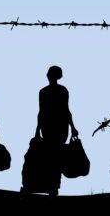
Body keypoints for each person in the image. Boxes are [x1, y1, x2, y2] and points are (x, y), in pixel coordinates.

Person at [35, 65, 78, 196]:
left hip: (51, 128)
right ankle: (54, 187)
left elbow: (42, 113)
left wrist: (37, 130)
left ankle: (52, 187)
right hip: (59, 128)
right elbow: (66, 110)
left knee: (52, 157)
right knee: (56, 157)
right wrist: (73, 126)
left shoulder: (44, 92)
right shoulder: (62, 90)